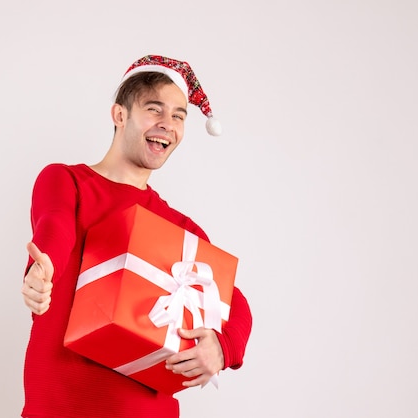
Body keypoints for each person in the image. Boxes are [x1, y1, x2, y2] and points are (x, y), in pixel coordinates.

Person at [20, 55, 252, 418]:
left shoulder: (182, 229)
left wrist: (224, 348)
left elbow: (235, 302)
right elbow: (56, 227)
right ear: (119, 115)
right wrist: (42, 267)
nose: (167, 124)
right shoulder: (68, 182)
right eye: (154, 109)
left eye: (178, 116)